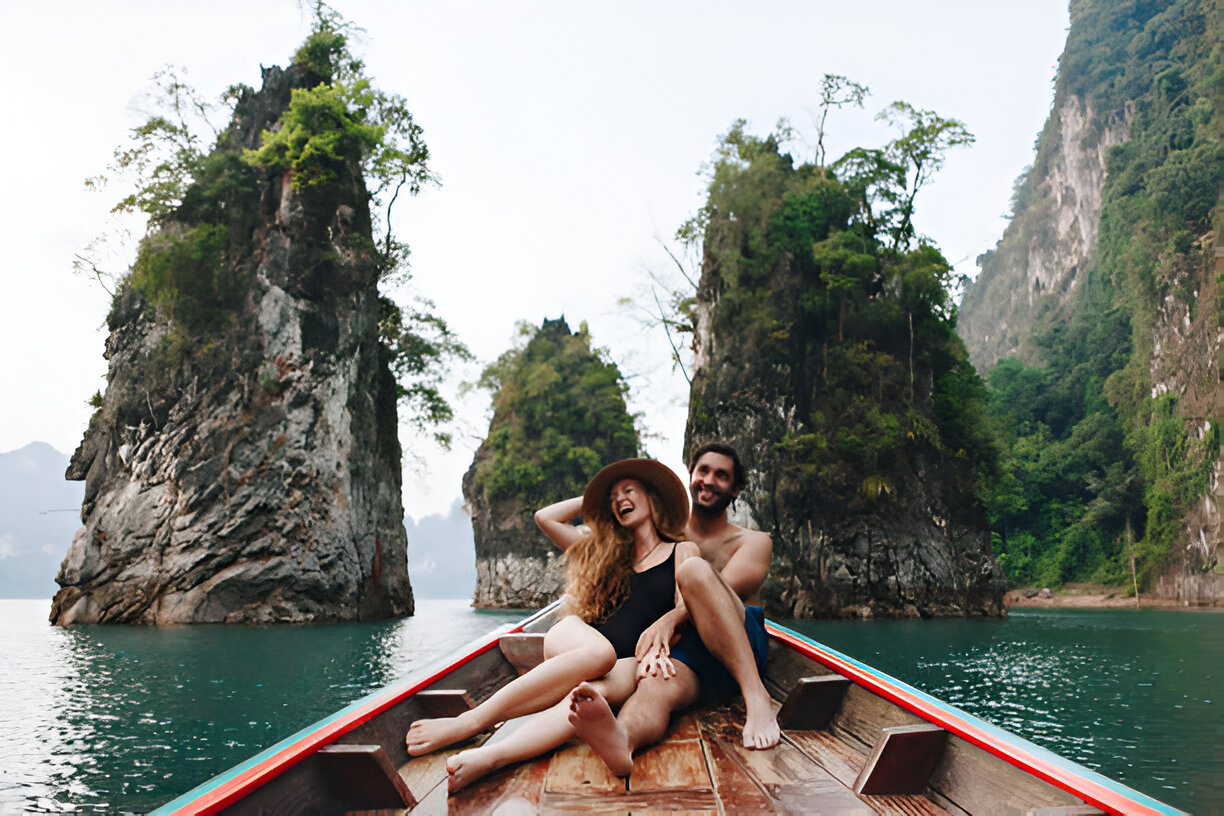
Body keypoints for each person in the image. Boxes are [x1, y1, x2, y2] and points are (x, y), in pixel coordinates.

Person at [404, 458, 698, 777]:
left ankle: (491, 756)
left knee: (588, 695)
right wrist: (595, 499)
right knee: (600, 653)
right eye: (613, 498)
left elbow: (686, 607)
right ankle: (467, 723)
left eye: (628, 491)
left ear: (652, 497)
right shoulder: (602, 552)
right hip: (577, 640)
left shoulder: (682, 550)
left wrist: (666, 625)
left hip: (631, 660)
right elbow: (545, 517)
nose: (619, 500)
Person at [567, 441, 779, 777]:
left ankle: (757, 698)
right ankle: (623, 738)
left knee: (693, 571)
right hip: (691, 649)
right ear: (690, 476)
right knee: (655, 683)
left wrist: (669, 619)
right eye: (703, 471)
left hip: (737, 640)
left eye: (721, 475)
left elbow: (713, 593)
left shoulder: (753, 542)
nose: (709, 480)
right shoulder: (666, 534)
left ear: (735, 489)